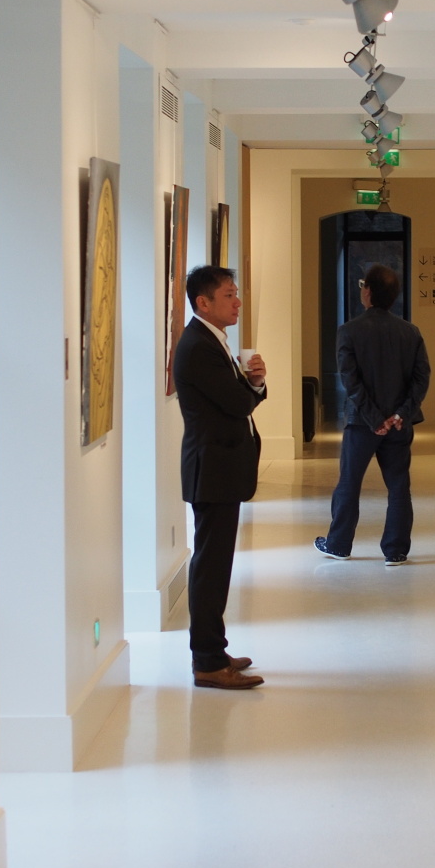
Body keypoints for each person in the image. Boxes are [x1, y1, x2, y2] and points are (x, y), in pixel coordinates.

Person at [174, 265, 267, 690]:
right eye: (229, 295)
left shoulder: (212, 340)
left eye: (236, 293)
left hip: (219, 468)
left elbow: (237, 397)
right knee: (210, 569)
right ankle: (208, 661)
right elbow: (236, 403)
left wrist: (254, 383)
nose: (237, 302)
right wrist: (252, 387)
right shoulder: (198, 346)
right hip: (212, 469)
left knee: (215, 566)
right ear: (203, 302)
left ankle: (215, 649)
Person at [315, 263, 431, 566]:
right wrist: (400, 414)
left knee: (349, 483)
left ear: (367, 292)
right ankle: (396, 550)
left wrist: (373, 417)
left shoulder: (349, 331)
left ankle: (339, 544)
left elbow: (350, 381)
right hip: (398, 425)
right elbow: (421, 379)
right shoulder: (410, 333)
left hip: (361, 423)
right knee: (398, 486)